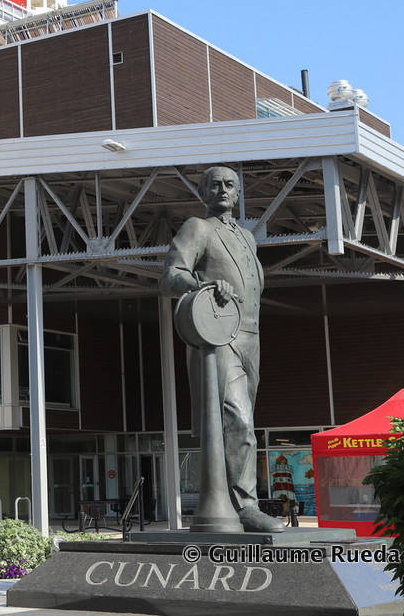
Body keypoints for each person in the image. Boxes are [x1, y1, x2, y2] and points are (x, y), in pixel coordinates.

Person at [161, 166, 284, 534]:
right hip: (219, 336)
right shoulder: (198, 227)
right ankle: (246, 505)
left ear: (239, 192)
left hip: (251, 338)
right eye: (214, 185)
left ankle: (233, 502)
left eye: (230, 185)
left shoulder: (248, 238)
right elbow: (170, 276)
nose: (223, 190)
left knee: (243, 423)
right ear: (203, 193)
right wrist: (203, 281)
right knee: (237, 419)